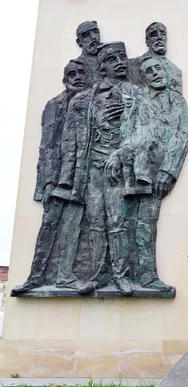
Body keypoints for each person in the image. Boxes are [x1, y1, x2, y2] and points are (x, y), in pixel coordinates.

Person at [56, 41, 154, 295]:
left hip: (118, 170)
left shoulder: (134, 93)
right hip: (90, 169)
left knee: (117, 221)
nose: (121, 63)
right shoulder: (83, 99)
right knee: (96, 222)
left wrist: (122, 153)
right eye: (114, 60)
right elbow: (70, 140)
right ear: (102, 68)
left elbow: (146, 134)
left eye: (123, 57)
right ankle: (99, 275)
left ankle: (121, 276)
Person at [11, 60, 94, 295]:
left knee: (73, 226)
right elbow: (46, 146)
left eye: (81, 73)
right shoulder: (53, 105)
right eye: (72, 74)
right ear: (64, 78)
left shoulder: (92, 102)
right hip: (57, 178)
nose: (77, 77)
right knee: (48, 226)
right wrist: (46, 183)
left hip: (82, 177)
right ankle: (36, 277)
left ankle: (65, 275)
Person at [131, 56, 188, 291]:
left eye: (158, 69)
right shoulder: (138, 99)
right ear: (144, 78)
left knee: (146, 222)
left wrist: (169, 170)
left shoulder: (176, 101)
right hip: (132, 169)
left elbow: (182, 135)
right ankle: (123, 275)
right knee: (119, 223)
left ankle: (146, 276)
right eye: (149, 71)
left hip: (158, 171)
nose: (156, 73)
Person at [130, 22, 182, 94]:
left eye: (163, 34)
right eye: (154, 35)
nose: (159, 37)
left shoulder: (174, 69)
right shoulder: (136, 64)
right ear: (147, 41)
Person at [74, 21, 102, 86]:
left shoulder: (113, 56)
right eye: (86, 35)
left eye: (96, 32)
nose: (93, 37)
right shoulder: (76, 65)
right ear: (79, 42)